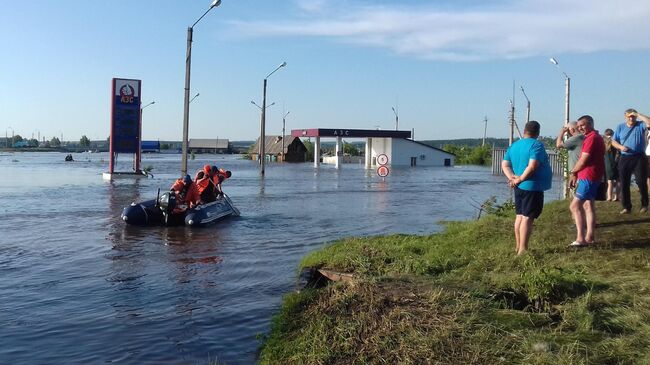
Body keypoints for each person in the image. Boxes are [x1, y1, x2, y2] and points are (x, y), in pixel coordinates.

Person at [502, 121, 553, 256]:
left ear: (524, 131)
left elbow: (505, 165)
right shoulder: (536, 145)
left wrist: (512, 178)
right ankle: (523, 249)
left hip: (519, 186)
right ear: (538, 132)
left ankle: (518, 246)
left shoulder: (514, 145)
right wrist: (519, 179)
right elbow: (532, 166)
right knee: (527, 218)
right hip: (532, 186)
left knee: (519, 216)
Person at [568, 115, 605, 247]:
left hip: (589, 176)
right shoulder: (596, 137)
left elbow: (583, 160)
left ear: (590, 123)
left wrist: (573, 172)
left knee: (574, 206)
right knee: (588, 206)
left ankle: (580, 238)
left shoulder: (591, 138)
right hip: (592, 175)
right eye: (578, 126)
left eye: (582, 125)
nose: (580, 128)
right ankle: (590, 236)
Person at [611, 109, 650, 214]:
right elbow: (613, 141)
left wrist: (638, 114)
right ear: (625, 117)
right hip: (625, 157)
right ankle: (627, 207)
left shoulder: (640, 125)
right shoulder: (620, 127)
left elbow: (649, 122)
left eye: (633, 116)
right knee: (624, 182)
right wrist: (620, 147)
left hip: (639, 157)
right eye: (629, 116)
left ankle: (645, 204)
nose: (631, 118)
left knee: (641, 181)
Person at [603, 128, 619, 201]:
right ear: (612, 134)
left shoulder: (603, 143)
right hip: (616, 163)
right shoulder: (615, 142)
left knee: (610, 182)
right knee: (618, 181)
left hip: (608, 164)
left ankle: (609, 197)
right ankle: (617, 197)